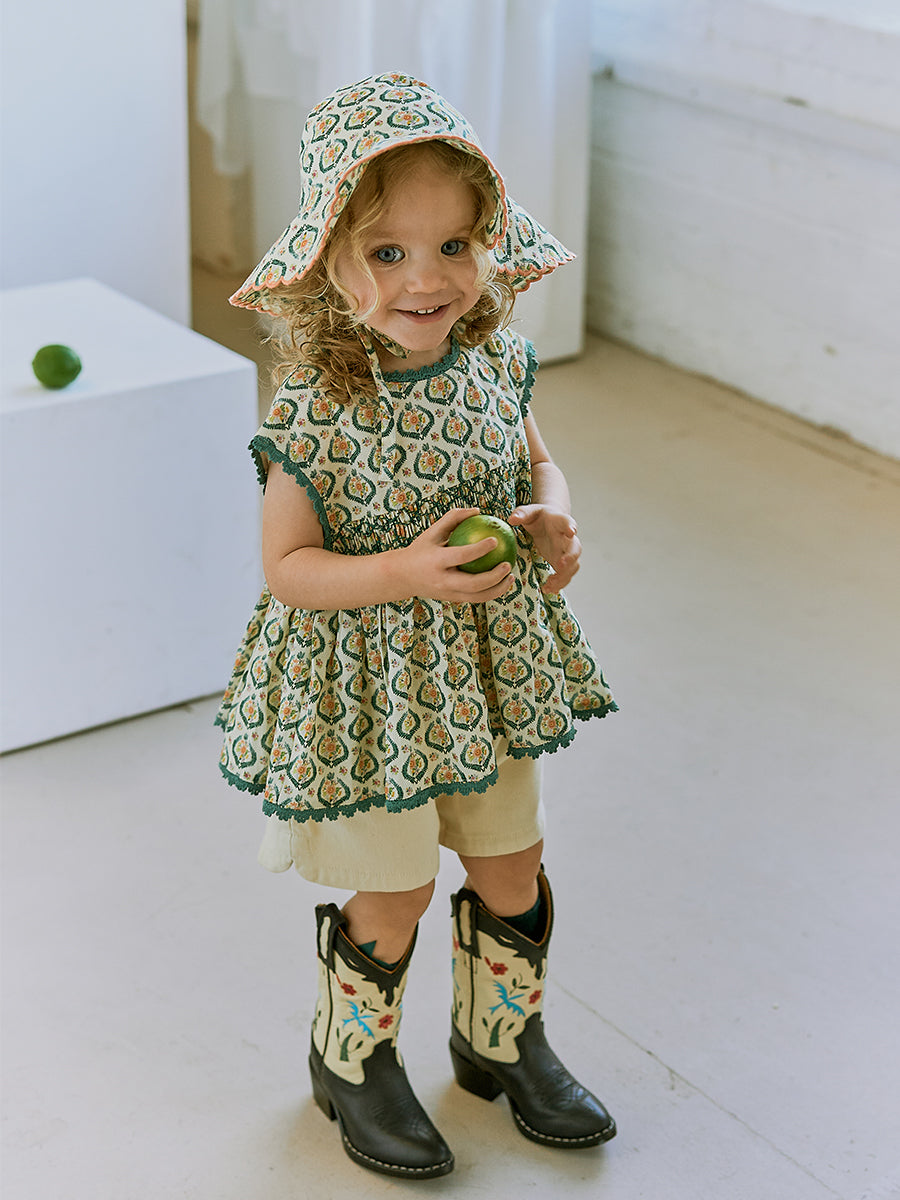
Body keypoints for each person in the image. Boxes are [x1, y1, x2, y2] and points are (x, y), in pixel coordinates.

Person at [217, 72, 618, 1181]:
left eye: (455, 246)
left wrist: (552, 517)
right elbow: (288, 569)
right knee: (392, 887)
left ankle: (502, 1041)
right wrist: (403, 570)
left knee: (513, 860)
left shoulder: (493, 363)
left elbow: (538, 463)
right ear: (327, 261)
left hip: (485, 674)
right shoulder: (318, 404)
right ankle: (352, 1061)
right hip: (370, 692)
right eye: (389, 252)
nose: (429, 278)